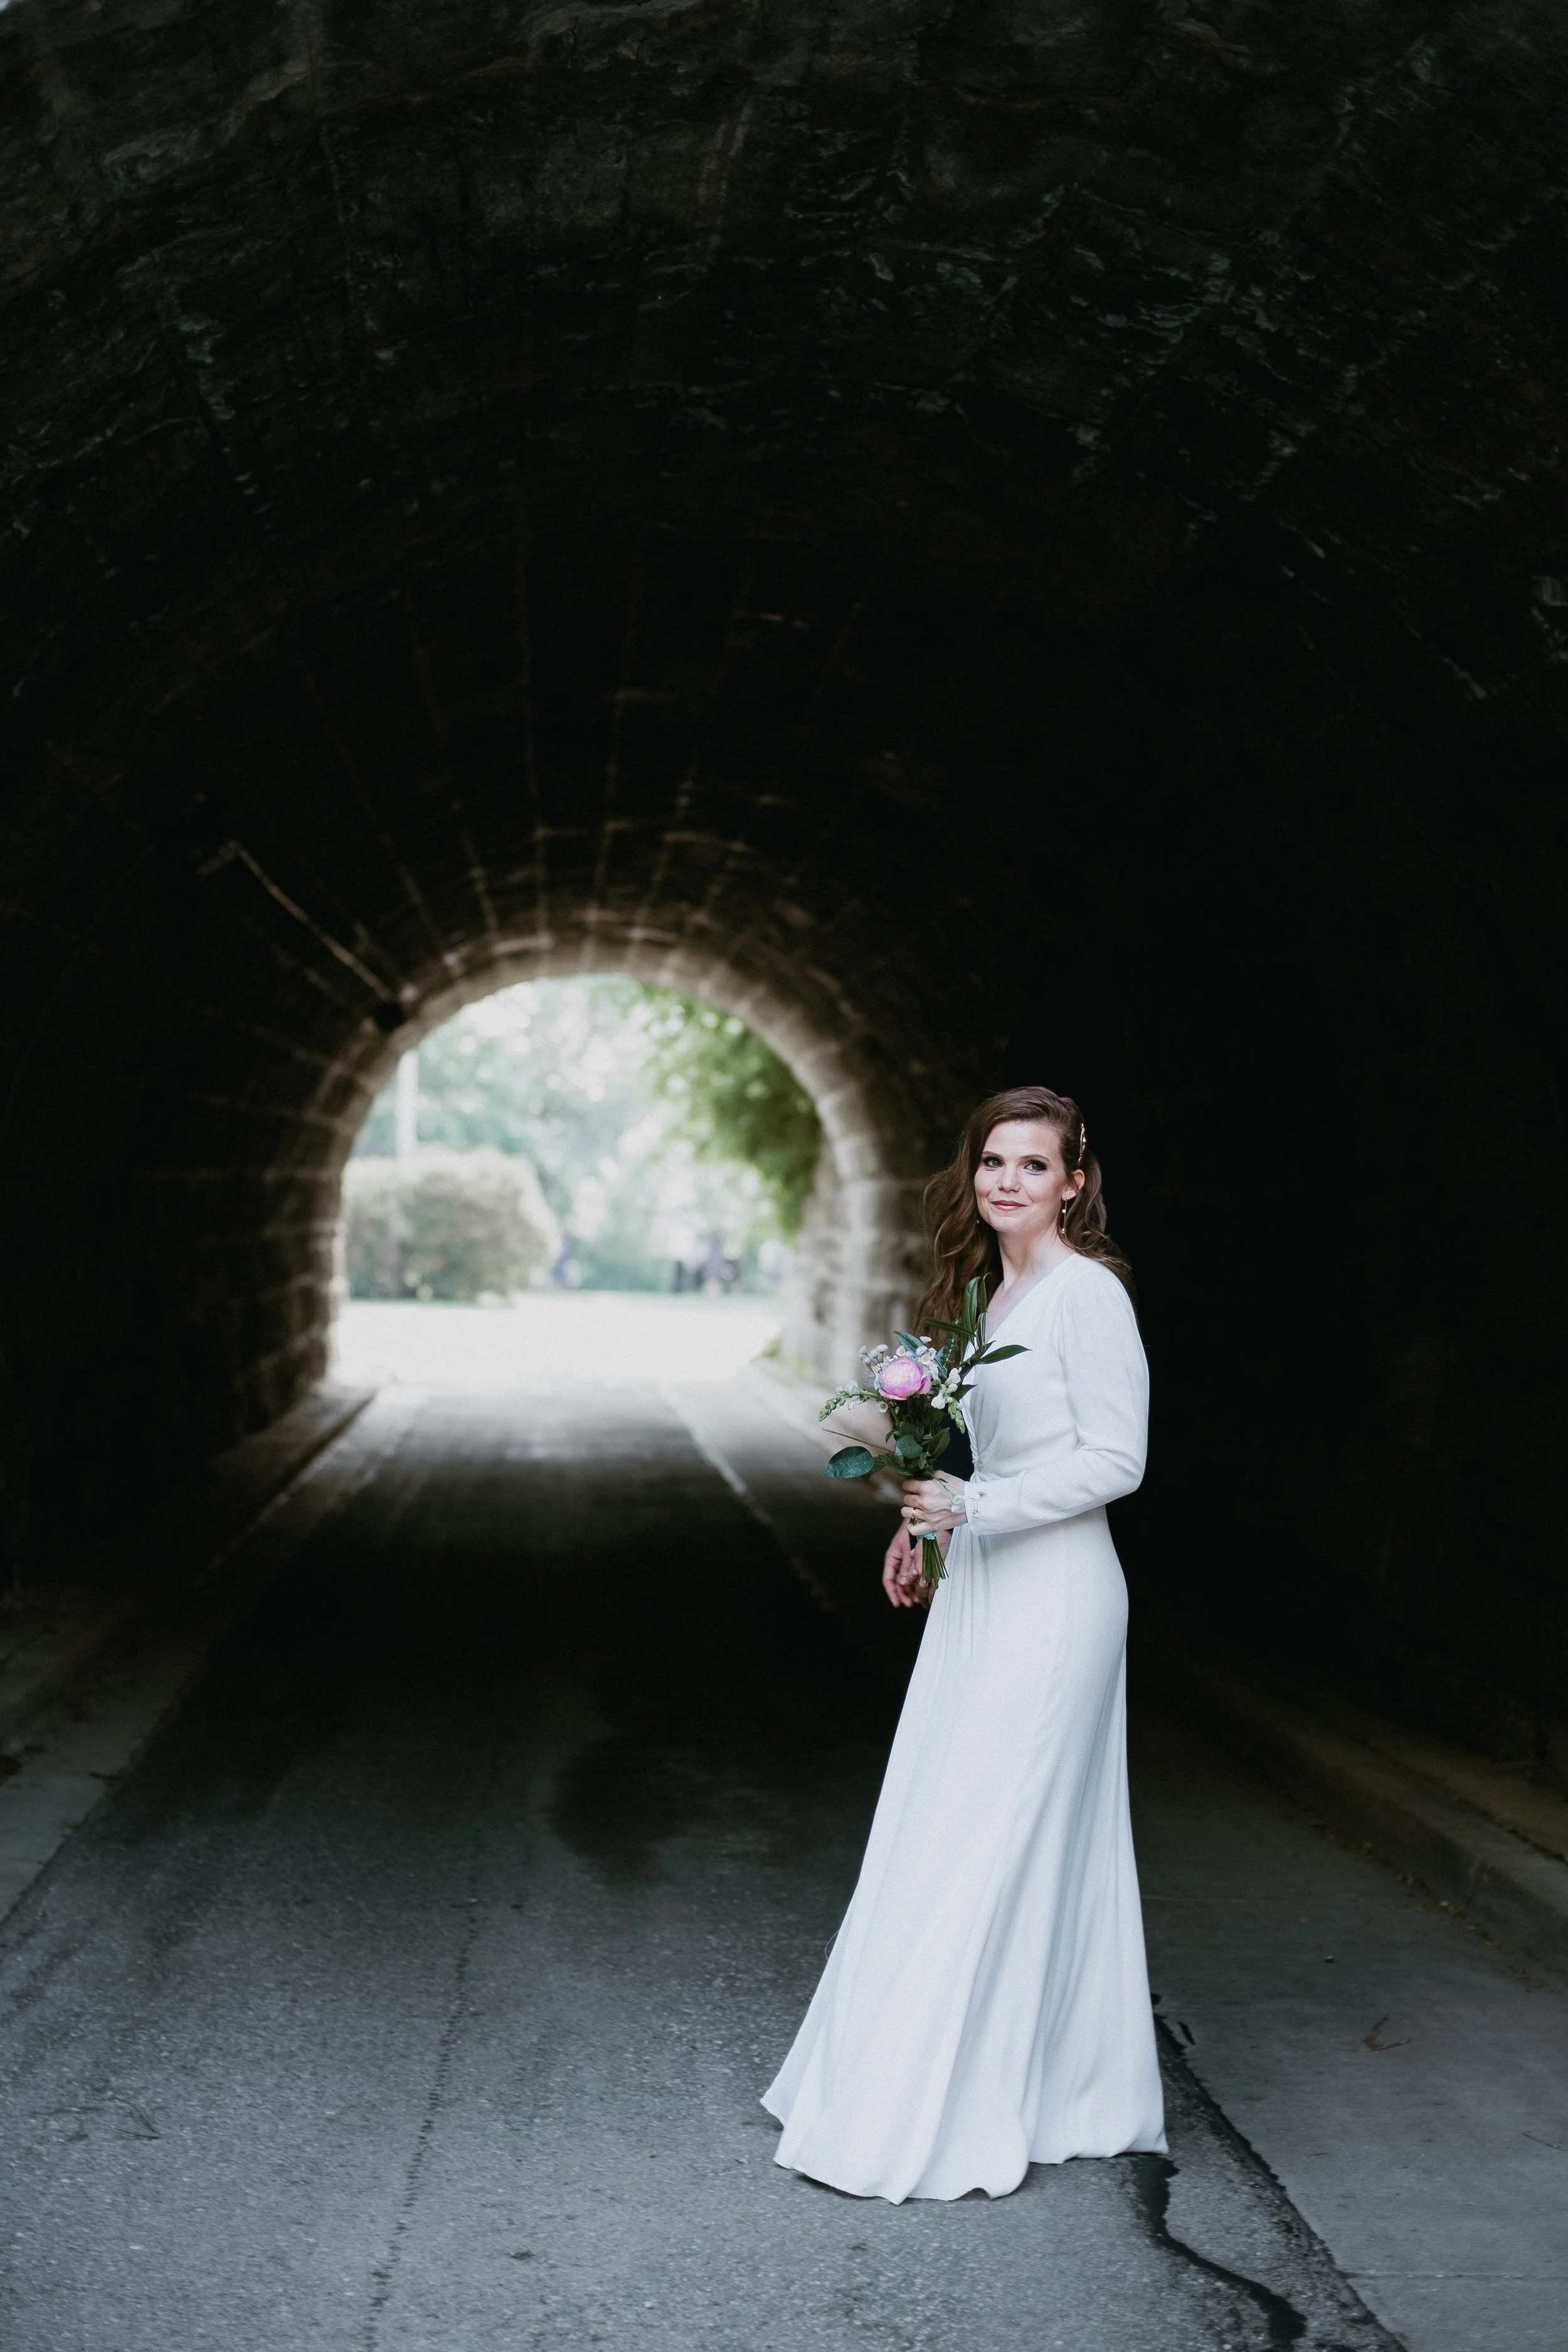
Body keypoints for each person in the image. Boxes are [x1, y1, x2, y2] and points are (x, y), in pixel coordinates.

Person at [761, 1085, 1166, 2201]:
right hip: (982, 1585)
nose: (1007, 1182)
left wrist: (975, 1512)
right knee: (943, 1817)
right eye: (994, 1161)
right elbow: (976, 1452)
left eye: (1034, 1166)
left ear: (1075, 1182)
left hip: (1059, 1597)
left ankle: (959, 2098)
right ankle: (1019, 2081)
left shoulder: (1090, 1296)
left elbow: (1117, 1462)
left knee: (1002, 1829)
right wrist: (919, 1520)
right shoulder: (993, 1295)